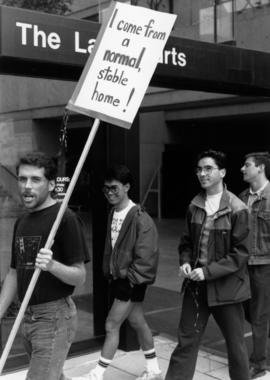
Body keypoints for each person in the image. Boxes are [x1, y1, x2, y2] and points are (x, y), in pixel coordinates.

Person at [0, 152, 89, 380]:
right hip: (27, 315)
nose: (27, 186)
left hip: (54, 318)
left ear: (50, 184)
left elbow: (80, 277)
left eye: (35, 180)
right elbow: (13, 272)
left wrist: (52, 265)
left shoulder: (64, 218)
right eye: (22, 179)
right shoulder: (22, 221)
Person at [165, 149, 250, 380]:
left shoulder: (238, 208)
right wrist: (185, 262)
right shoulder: (194, 205)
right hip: (196, 288)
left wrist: (207, 271)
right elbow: (186, 243)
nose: (202, 173)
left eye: (208, 168)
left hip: (228, 290)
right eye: (199, 169)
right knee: (186, 344)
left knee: (236, 348)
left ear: (222, 172)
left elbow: (240, 254)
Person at [73, 164, 161, 380]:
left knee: (111, 325)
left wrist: (129, 281)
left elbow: (147, 257)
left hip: (130, 282)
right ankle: (154, 370)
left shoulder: (141, 218)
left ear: (127, 186)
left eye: (114, 188)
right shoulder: (113, 212)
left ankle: (96, 374)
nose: (110, 193)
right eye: (106, 189)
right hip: (119, 278)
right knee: (137, 321)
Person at [240, 151, 270, 379]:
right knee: (250, 312)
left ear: (260, 168)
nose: (243, 168)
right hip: (244, 264)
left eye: (247, 165)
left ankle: (259, 365)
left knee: (259, 315)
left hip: (264, 265)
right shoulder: (242, 197)